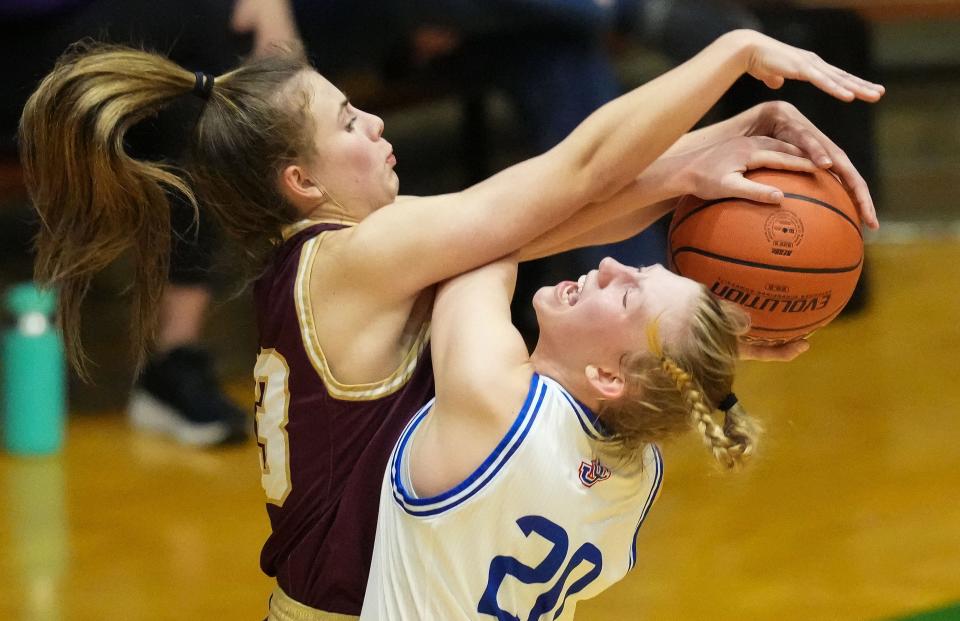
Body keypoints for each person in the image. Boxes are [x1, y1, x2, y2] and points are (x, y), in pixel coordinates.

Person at [18, 28, 883, 618]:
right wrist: (731, 63)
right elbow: (558, 188)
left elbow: (539, 222)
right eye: (350, 122)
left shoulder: (367, 260)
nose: (379, 121)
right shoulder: (357, 258)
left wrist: (698, 170)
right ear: (302, 183)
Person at [361, 253, 753, 619]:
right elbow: (676, 383)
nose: (609, 264)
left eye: (627, 295)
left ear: (609, 377)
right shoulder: (641, 476)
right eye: (639, 270)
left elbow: (474, 245)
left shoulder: (499, 404)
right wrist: (712, 360)